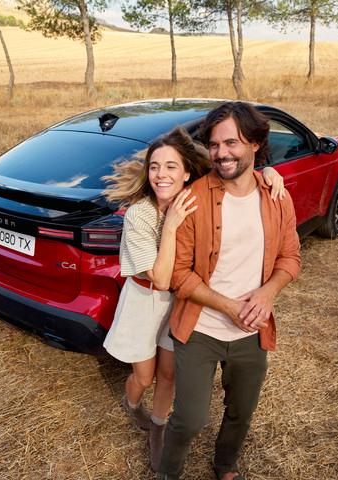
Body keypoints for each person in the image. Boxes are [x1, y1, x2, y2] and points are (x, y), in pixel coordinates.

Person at [102, 126, 285, 472]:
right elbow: (160, 278)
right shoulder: (141, 215)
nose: (161, 174)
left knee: (169, 373)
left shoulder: (196, 195)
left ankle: (158, 427)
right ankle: (132, 403)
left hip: (179, 301)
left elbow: (234, 170)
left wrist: (268, 173)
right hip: (145, 299)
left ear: (187, 173)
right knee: (144, 376)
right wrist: (171, 225)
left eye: (171, 166)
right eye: (154, 167)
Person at [156, 103, 302, 480]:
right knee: (189, 418)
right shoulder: (193, 199)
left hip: (252, 331)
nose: (221, 153)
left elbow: (291, 257)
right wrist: (228, 306)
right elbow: (179, 275)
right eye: (214, 145)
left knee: (241, 411)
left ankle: (225, 466)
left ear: (255, 143)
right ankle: (167, 473)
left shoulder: (276, 196)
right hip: (200, 328)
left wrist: (268, 293)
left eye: (231, 143)